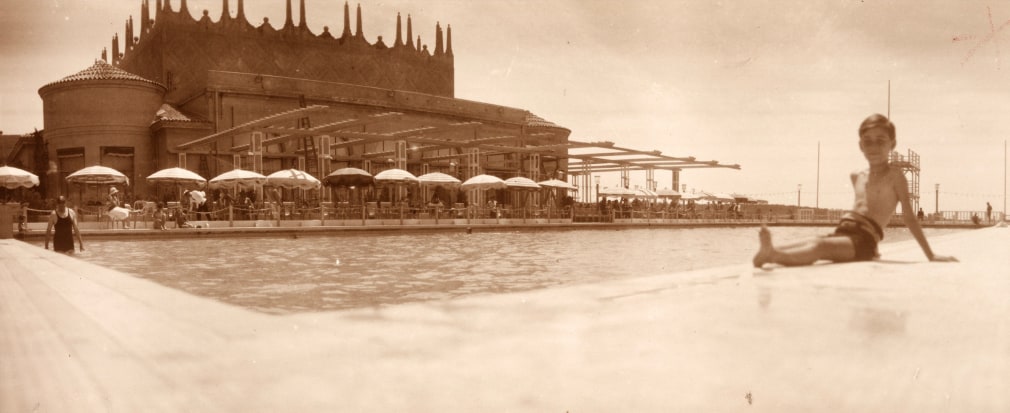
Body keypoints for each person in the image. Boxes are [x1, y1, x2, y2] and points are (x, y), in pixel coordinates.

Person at [753, 114, 957, 267]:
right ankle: (770, 251)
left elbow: (909, 217)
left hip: (865, 241)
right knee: (814, 240)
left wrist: (930, 255)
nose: (873, 147)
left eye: (880, 140)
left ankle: (773, 256)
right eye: (867, 141)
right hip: (844, 230)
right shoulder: (857, 176)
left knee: (819, 248)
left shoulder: (895, 176)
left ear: (892, 144)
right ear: (860, 146)